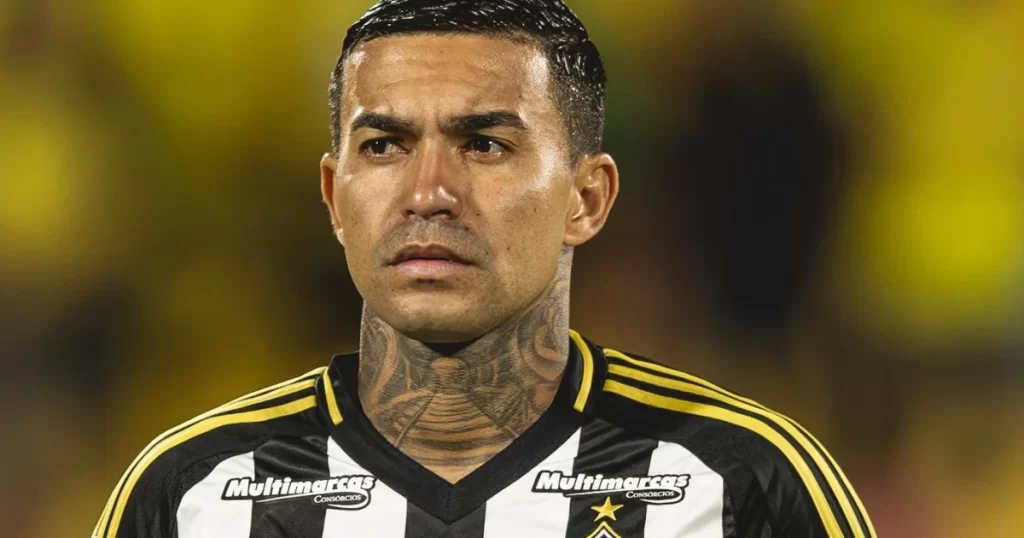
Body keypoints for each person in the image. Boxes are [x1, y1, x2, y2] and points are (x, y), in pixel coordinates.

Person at [92, 0, 876, 536]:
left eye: (485, 144)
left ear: (586, 198)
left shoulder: (748, 485)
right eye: (384, 145)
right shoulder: (189, 494)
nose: (428, 193)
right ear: (334, 197)